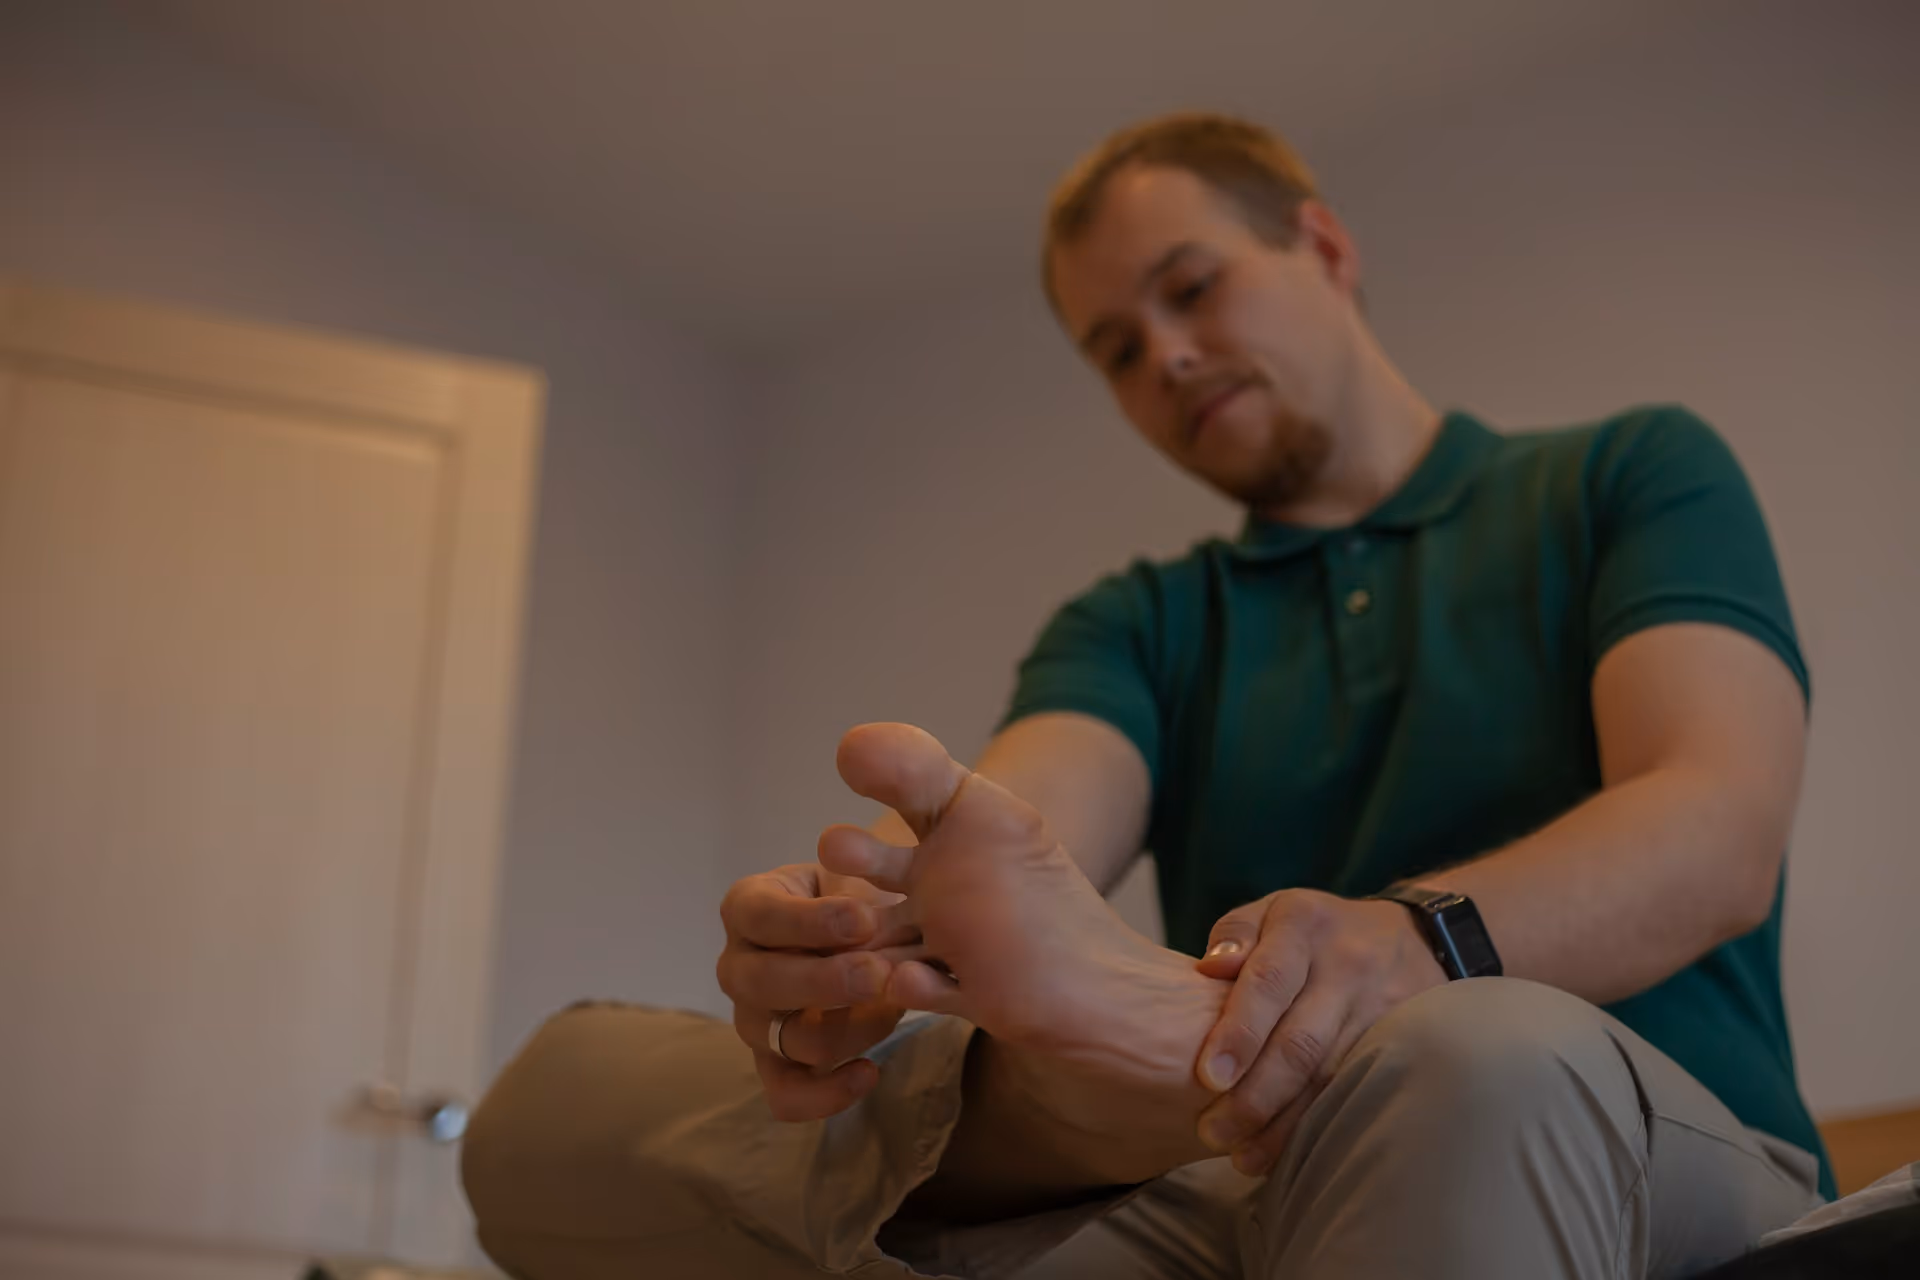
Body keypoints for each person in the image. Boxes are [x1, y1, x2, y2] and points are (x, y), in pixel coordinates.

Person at [460, 113, 1831, 1279]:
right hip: (1250, 1176)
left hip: (1626, 1133)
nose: (1165, 355)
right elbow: (1028, 823)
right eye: (1116, 348)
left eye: (1194, 288)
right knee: (553, 1107)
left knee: (1467, 1061)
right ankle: (1184, 1069)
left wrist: (1411, 956)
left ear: (1326, 250)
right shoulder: (1141, 620)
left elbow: (1713, 826)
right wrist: (889, 929)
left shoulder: (1624, 476)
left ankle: (1180, 1061)